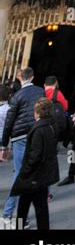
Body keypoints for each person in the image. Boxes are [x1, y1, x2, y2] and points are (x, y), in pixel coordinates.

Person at [1, 67, 44, 222]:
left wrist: (4, 145)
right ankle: (21, 217)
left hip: (19, 137)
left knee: (19, 174)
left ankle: (9, 213)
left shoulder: (16, 96)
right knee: (33, 175)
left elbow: (9, 122)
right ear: (32, 77)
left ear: (20, 78)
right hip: (37, 135)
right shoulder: (41, 92)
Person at [11, 98, 59, 230]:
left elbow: (34, 155)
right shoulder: (51, 125)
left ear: (37, 112)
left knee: (27, 207)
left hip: (33, 176)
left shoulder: (38, 129)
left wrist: (25, 172)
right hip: (43, 174)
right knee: (38, 207)